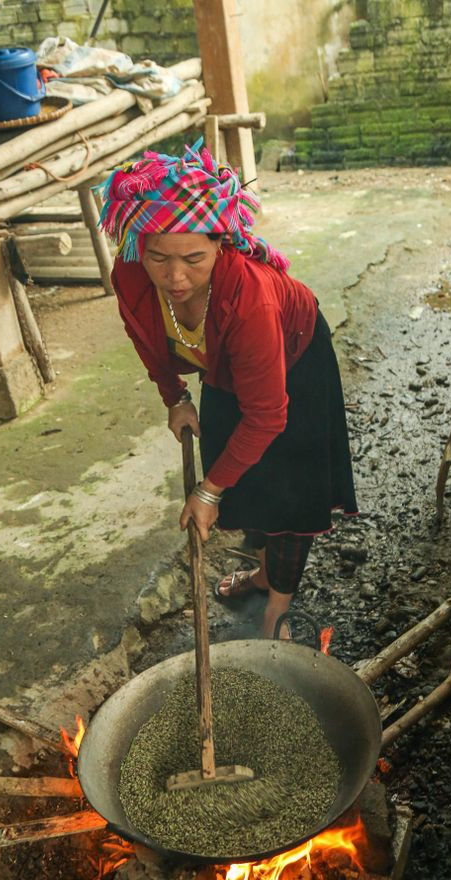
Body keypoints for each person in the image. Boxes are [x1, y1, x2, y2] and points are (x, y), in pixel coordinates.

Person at [98, 140, 357, 639]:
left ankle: (276, 609)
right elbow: (143, 334)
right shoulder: (130, 274)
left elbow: (267, 415)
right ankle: (263, 573)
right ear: (138, 247)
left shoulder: (250, 297)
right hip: (220, 366)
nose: (175, 277)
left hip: (295, 361)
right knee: (242, 476)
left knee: (288, 492)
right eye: (158, 257)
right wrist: (175, 397)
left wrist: (206, 492)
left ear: (222, 244)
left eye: (194, 258)